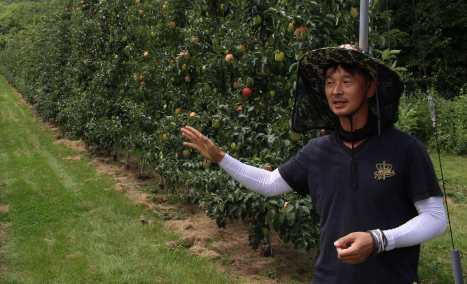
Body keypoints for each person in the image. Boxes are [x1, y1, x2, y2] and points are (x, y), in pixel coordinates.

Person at [181, 45, 446, 283]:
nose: (336, 91)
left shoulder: (405, 149)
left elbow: (435, 219)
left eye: (347, 81)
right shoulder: (317, 152)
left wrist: (379, 240)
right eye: (330, 82)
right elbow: (269, 184)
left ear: (370, 88)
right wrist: (221, 158)